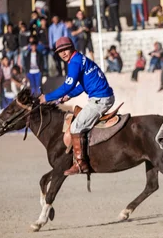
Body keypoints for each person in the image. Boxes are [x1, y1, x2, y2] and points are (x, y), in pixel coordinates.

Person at [40, 37, 115, 176]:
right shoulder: (80, 58)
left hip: (100, 99)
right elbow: (81, 85)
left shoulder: (74, 62)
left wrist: (47, 97)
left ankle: (80, 164)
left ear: (72, 47)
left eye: (65, 49)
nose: (63, 53)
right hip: (103, 96)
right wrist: (69, 95)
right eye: (60, 51)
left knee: (75, 127)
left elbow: (67, 85)